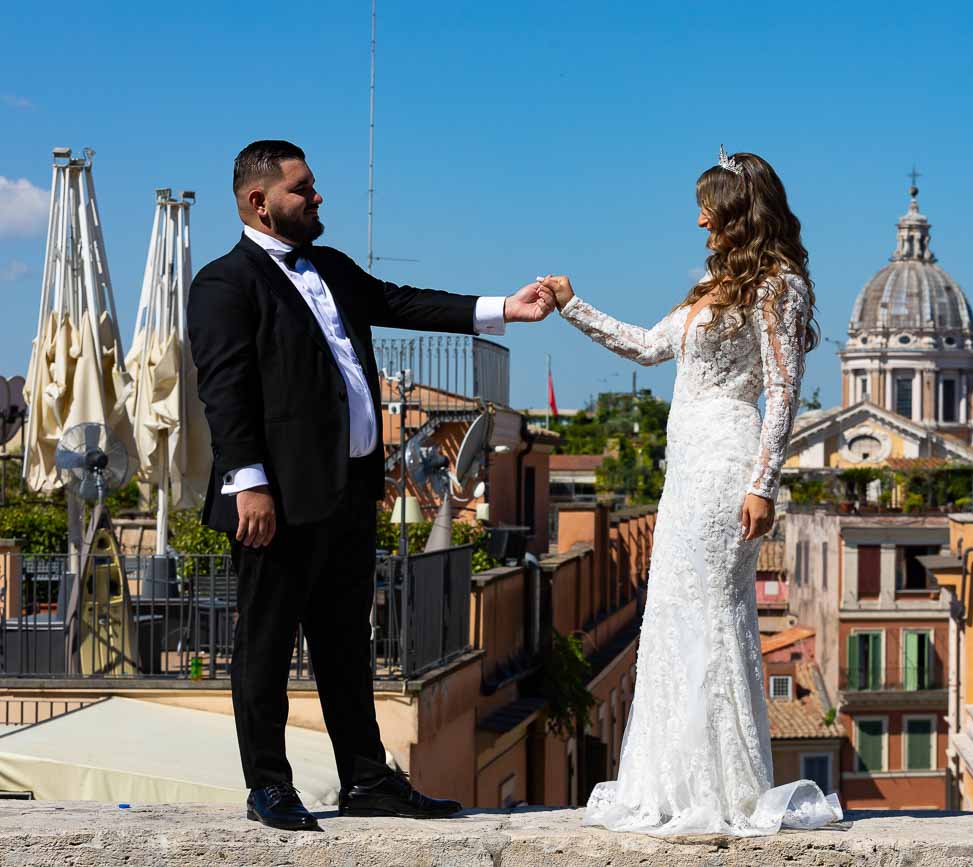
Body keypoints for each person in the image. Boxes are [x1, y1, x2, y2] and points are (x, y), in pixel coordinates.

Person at [187, 140, 553, 832]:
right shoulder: (223, 284)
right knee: (264, 645)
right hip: (276, 501)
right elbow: (225, 392)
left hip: (348, 493)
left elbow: (402, 301)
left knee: (346, 645)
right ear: (258, 201)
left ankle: (366, 778)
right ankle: (267, 783)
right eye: (303, 189)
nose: (318, 198)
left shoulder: (328, 267)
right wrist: (249, 485)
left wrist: (509, 306)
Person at [538, 147, 842, 836]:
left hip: (727, 462)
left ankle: (727, 788)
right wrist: (570, 304)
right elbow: (646, 346)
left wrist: (764, 482)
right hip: (685, 469)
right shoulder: (713, 285)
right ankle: (672, 784)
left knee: (711, 609)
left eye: (710, 211)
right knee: (673, 612)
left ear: (740, 213)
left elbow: (784, 391)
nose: (700, 224)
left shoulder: (779, 284)